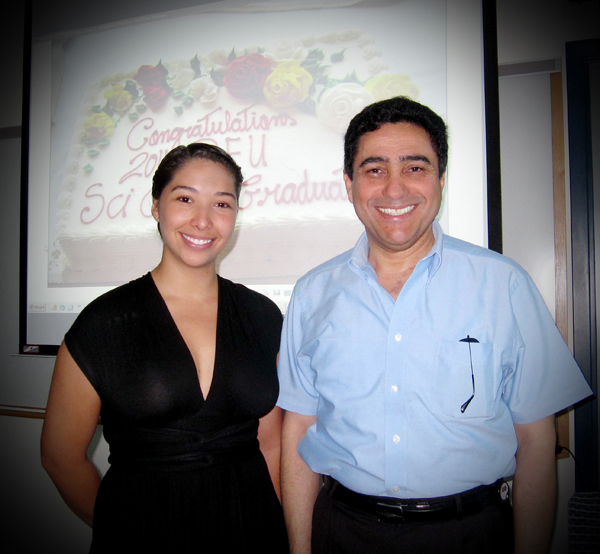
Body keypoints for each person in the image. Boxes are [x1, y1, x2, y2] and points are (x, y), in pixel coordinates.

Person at [277, 96, 592, 554]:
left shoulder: (503, 284)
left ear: (441, 179)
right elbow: (300, 425)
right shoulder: (311, 294)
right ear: (349, 184)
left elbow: (536, 440)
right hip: (345, 532)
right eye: (374, 169)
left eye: (415, 167)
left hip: (472, 533)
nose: (394, 189)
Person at [41, 143, 289, 553]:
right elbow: (60, 457)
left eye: (222, 204)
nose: (203, 220)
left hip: (251, 526)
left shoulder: (262, 316)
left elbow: (270, 442)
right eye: (185, 199)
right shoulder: (103, 322)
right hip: (143, 529)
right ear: (156, 206)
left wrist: (281, 525)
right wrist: (120, 527)